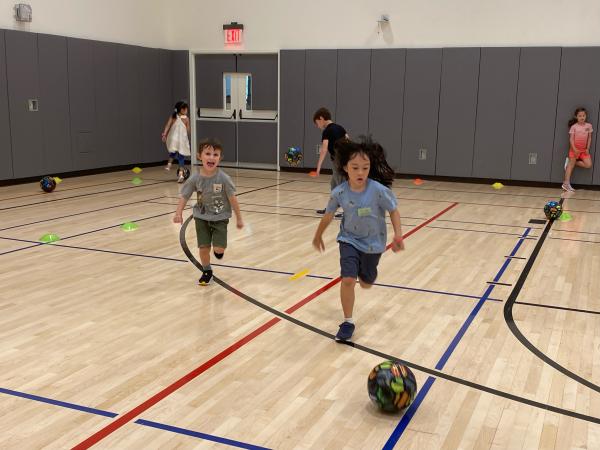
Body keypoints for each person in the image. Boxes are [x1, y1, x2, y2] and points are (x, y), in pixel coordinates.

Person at [312, 136, 404, 341]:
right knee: (347, 280)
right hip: (349, 240)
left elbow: (394, 210)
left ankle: (367, 273)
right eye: (355, 167)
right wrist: (318, 235)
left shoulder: (379, 191)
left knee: (366, 282)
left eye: (365, 167)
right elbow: (328, 215)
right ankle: (348, 322)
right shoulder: (340, 192)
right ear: (345, 168)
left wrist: (398, 234)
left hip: (373, 244)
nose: (360, 172)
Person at [173, 139, 244, 285]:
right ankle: (207, 271)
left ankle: (219, 250)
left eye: (215, 154)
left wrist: (239, 218)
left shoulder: (224, 178)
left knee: (218, 248)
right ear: (200, 156)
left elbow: (233, 198)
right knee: (203, 247)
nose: (211, 157)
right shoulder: (195, 178)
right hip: (201, 217)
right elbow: (185, 195)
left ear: (220, 158)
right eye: (208, 154)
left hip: (220, 217)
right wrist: (178, 213)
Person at [312, 107, 348, 215]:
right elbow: (348, 139)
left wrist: (318, 167)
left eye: (317, 122)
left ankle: (347, 211)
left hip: (338, 160)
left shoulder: (327, 131)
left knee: (341, 185)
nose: (317, 126)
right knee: (334, 184)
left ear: (321, 118)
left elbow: (324, 149)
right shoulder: (340, 128)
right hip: (344, 159)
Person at [563, 107, 593, 192]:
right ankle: (566, 184)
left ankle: (570, 162)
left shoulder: (589, 126)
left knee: (588, 164)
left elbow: (590, 138)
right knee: (570, 167)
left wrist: (588, 148)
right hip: (574, 149)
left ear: (586, 116)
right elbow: (571, 139)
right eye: (580, 116)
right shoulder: (574, 127)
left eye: (583, 115)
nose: (582, 117)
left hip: (584, 150)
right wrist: (574, 149)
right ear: (576, 117)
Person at [162, 101, 191, 183]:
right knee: (181, 157)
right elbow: (188, 130)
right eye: (186, 109)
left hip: (174, 139)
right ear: (181, 110)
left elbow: (167, 125)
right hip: (181, 140)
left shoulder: (173, 116)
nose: (187, 111)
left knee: (173, 152)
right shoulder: (185, 119)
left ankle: (169, 165)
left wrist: (164, 134)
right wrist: (188, 133)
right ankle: (181, 174)